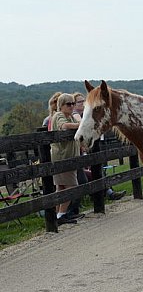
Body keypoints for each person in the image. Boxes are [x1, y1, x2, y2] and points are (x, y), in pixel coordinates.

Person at [71, 92, 126, 202]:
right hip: (80, 153)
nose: (82, 103)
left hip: (89, 150)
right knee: (92, 172)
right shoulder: (75, 115)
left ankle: (108, 193)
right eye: (79, 102)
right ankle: (106, 194)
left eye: (84, 101)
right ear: (74, 104)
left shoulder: (87, 114)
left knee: (98, 169)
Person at [50, 93, 84, 224]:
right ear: (61, 105)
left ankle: (58, 216)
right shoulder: (59, 116)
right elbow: (64, 126)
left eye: (73, 104)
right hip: (62, 158)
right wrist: (80, 125)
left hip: (68, 157)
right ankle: (61, 215)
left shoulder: (69, 116)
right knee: (71, 186)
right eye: (68, 104)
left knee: (61, 188)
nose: (71, 106)